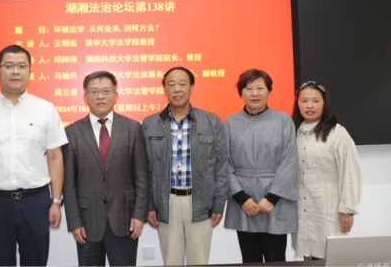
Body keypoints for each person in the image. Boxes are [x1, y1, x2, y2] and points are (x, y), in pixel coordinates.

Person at [0, 45, 68, 267]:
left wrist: (56, 201)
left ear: (30, 71)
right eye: (9, 66)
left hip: (36, 202)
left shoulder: (46, 109)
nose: (15, 71)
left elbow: (55, 158)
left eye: (21, 66)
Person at [142, 67, 229, 265]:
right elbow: (145, 170)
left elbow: (221, 167)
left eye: (182, 84)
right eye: (171, 84)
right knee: (171, 261)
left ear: (192, 88)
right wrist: (150, 205)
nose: (177, 89)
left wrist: (218, 203)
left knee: (199, 261)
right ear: (164, 89)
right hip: (166, 203)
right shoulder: (150, 124)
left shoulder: (211, 121)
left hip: (200, 203)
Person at [63, 71, 149, 267]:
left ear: (116, 96)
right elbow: (69, 183)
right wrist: (75, 222)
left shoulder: (132, 128)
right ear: (85, 97)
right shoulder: (72, 132)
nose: (100, 96)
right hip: (87, 223)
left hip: (125, 220)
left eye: (105, 91)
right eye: (94, 92)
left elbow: (142, 176)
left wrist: (139, 215)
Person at [223, 69, 298, 263]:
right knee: (250, 259)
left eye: (260, 88)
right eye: (249, 89)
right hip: (244, 202)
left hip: (276, 200)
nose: (254, 93)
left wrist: (271, 198)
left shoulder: (283, 121)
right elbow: (224, 163)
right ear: (241, 93)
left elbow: (290, 161)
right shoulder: (229, 123)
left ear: (269, 91)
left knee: (276, 258)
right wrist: (242, 199)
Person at [292, 81, 362, 260]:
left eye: (315, 101)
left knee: (330, 257)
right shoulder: (293, 133)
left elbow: (350, 173)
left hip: (328, 211)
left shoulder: (338, 133)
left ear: (324, 104)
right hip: (301, 210)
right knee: (307, 257)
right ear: (297, 103)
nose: (309, 106)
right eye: (304, 101)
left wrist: (347, 209)